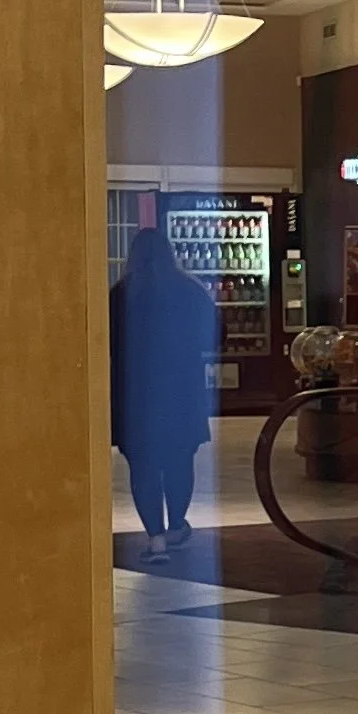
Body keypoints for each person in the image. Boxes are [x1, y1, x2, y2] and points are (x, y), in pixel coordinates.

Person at [108, 222, 215, 557]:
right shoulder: (189, 289)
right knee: (179, 461)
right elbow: (214, 335)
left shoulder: (121, 293)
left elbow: (105, 342)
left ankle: (154, 537)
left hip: (135, 394)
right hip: (182, 391)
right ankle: (176, 525)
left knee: (143, 466)